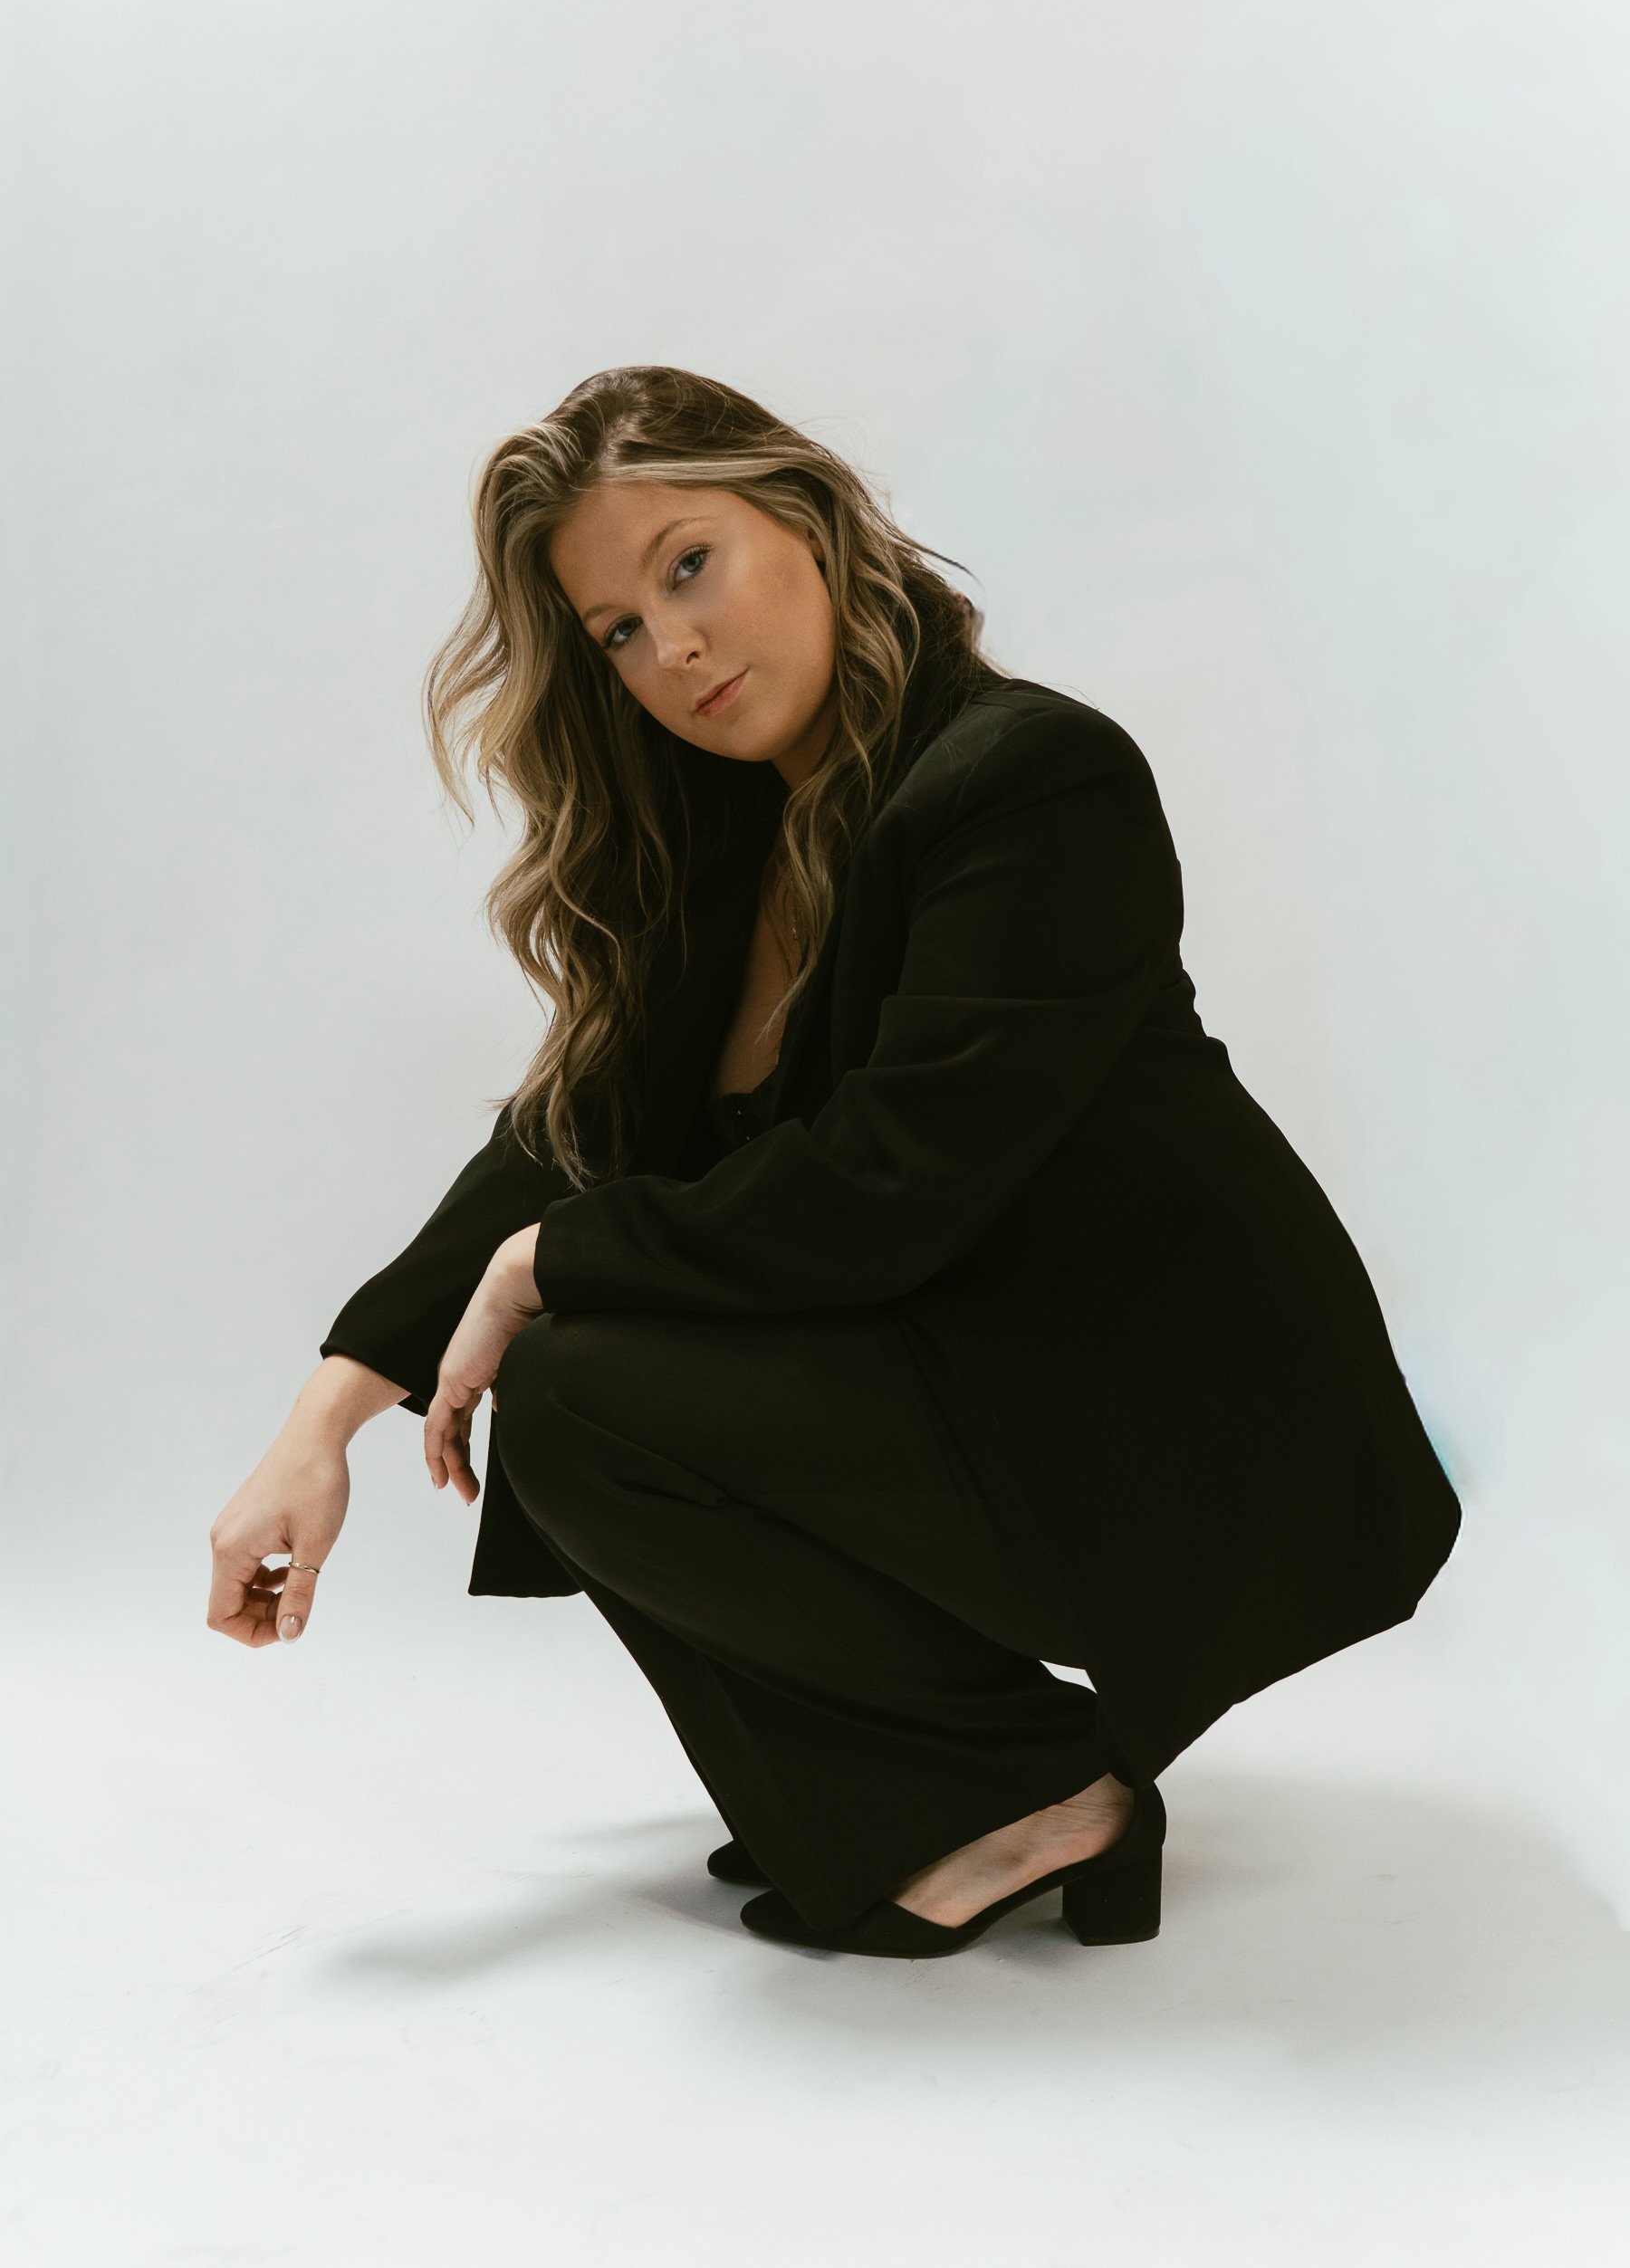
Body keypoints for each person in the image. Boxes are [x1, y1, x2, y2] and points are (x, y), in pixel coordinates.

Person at [207, 364, 1462, 1960]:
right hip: (978, 1385)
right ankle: (943, 1807)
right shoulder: (730, 842)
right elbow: (566, 1136)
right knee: (582, 1392)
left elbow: (888, 1188)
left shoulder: (1032, 781)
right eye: (615, 629)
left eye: (687, 565)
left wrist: (542, 1272)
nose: (672, 648)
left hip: (1170, 1423)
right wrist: (324, 1417)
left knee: (586, 1381)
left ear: (801, 513)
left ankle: (1032, 1795)